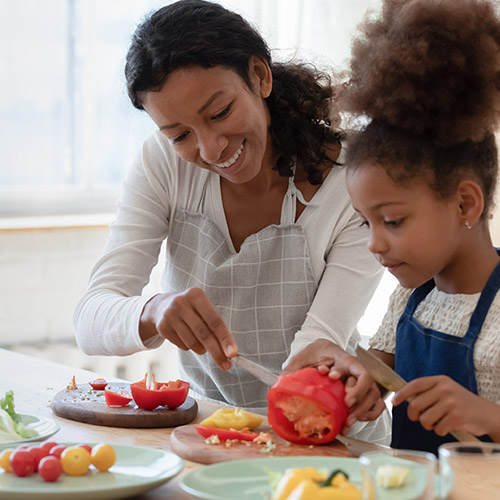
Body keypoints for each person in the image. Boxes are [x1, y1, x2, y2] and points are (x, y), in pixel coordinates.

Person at [73, 0, 391, 442]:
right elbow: (91, 321)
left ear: (260, 76)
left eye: (220, 112)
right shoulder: (163, 164)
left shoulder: (357, 180)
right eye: (180, 135)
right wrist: (152, 310)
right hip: (218, 431)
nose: (211, 148)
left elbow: (317, 346)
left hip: (329, 432)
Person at [335, 0, 500, 454]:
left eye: (392, 220)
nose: (374, 243)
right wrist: (361, 383)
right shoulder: (412, 295)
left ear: (465, 201)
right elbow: (381, 370)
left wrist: (488, 416)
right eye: (365, 222)